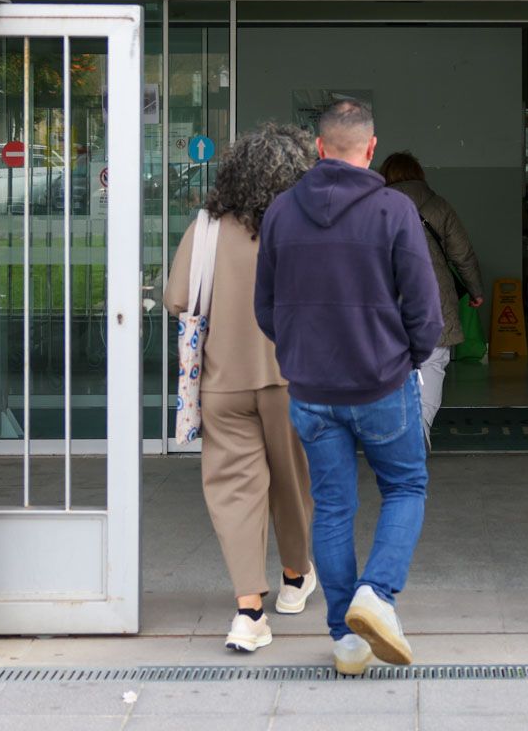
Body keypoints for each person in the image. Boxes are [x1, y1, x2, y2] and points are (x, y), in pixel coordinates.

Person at [254, 98, 442, 674]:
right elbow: (426, 308)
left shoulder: (282, 212)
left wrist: (298, 354)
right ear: (370, 148)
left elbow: (266, 307)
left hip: (310, 388)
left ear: (318, 148)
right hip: (381, 381)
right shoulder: (393, 208)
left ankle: (346, 640)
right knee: (406, 487)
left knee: (332, 507)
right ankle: (376, 595)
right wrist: (407, 356)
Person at [165, 124, 318, 654]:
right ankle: (296, 577)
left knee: (234, 492)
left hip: (221, 384)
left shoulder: (204, 229)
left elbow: (177, 298)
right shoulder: (303, 227)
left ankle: (249, 611)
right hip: (288, 379)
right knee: (293, 483)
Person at [379, 151, 485, 443]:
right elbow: (463, 255)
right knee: (432, 364)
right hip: (433, 301)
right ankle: (419, 430)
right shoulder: (439, 206)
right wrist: (475, 291)